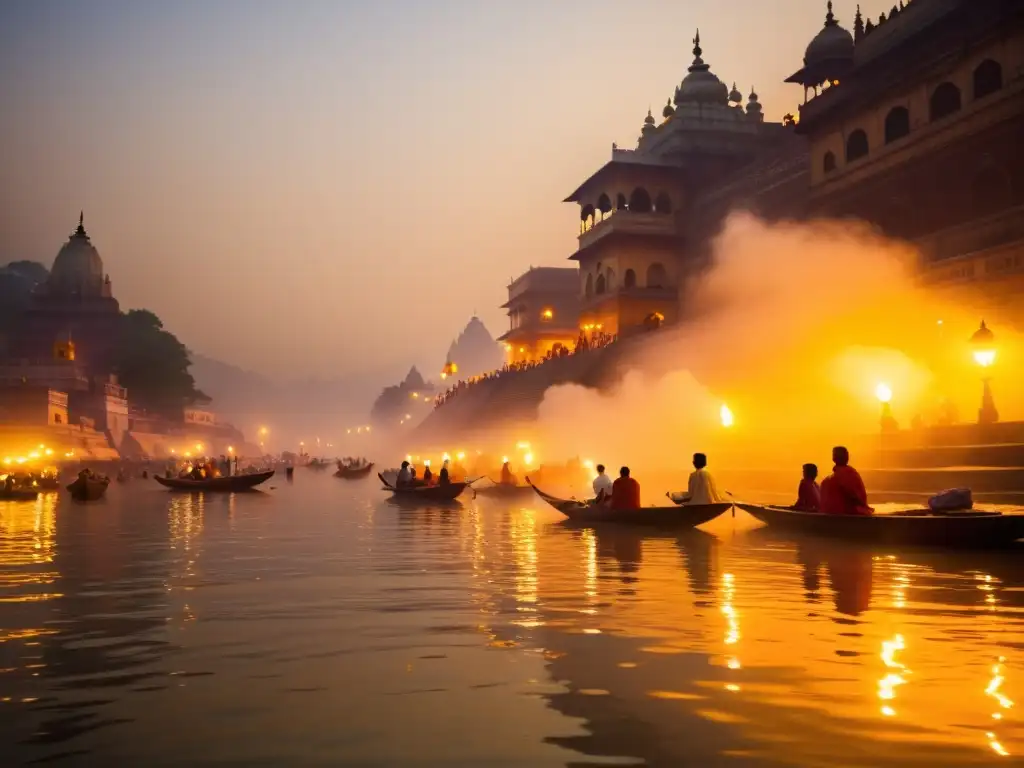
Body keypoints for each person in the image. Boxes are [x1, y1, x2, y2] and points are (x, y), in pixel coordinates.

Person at [819, 446, 873, 516]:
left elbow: (855, 497)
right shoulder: (848, 473)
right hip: (837, 513)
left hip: (848, 512)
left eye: (835, 455)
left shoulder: (848, 473)